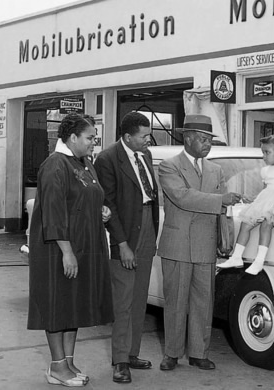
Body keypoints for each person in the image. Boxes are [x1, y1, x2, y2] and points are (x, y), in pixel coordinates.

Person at [27, 113, 113, 387]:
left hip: (83, 245)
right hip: (58, 249)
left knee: (72, 305)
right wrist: (67, 251)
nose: (93, 143)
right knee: (57, 305)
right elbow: (52, 212)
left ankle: (68, 362)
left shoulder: (85, 163)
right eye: (89, 138)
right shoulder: (55, 166)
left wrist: (100, 211)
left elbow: (85, 197)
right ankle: (56, 367)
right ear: (72, 137)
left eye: (94, 139)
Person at [156, 114, 241, 372]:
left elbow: (223, 212)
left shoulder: (216, 170)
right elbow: (183, 197)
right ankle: (171, 353)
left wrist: (225, 240)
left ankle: (198, 353)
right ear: (188, 138)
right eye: (203, 139)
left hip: (205, 245)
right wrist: (221, 199)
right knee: (175, 302)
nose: (207, 145)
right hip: (178, 244)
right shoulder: (169, 166)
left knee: (204, 303)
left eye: (210, 140)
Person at [93, 112, 158, 384]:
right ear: (128, 136)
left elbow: (150, 196)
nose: (148, 140)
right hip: (125, 233)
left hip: (147, 229)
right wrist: (122, 244)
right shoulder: (107, 159)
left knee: (139, 299)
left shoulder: (146, 156)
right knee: (123, 302)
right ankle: (119, 362)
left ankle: (132, 353)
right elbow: (110, 205)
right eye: (144, 136)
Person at [217, 134, 274, 275]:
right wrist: (254, 200)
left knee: (266, 224)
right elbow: (266, 192)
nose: (264, 156)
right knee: (245, 223)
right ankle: (236, 257)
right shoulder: (265, 171)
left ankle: (259, 261)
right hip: (267, 201)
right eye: (263, 152)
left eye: (267, 152)